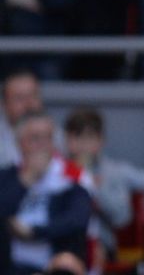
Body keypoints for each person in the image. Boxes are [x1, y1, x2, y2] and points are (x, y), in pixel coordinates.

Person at [63, 107, 144, 260]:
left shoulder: (113, 172)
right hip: (59, 240)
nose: (83, 145)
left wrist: (97, 191)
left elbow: (121, 218)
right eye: (77, 137)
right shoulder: (55, 170)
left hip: (99, 244)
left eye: (89, 137)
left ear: (101, 140)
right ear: (66, 139)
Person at [0, 112, 92, 274]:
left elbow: (77, 220)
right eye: (35, 138)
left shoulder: (72, 174)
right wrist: (26, 180)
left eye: (48, 138)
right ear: (20, 143)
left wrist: (33, 232)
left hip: (56, 266)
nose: (43, 145)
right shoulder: (7, 177)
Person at [0, 70, 65, 169]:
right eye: (19, 98)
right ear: (4, 104)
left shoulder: (58, 135)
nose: (29, 104)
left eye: (33, 96)